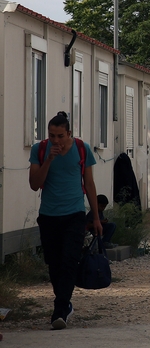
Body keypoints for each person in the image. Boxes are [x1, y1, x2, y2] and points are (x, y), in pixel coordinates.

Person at [29, 111, 101, 330]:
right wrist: (49, 158)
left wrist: (96, 217)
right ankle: (65, 303)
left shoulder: (82, 148)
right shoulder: (39, 150)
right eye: (52, 136)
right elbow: (34, 184)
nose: (56, 140)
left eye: (60, 136)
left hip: (75, 215)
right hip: (49, 215)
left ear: (69, 133)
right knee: (54, 264)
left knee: (70, 261)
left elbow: (89, 184)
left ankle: (59, 310)